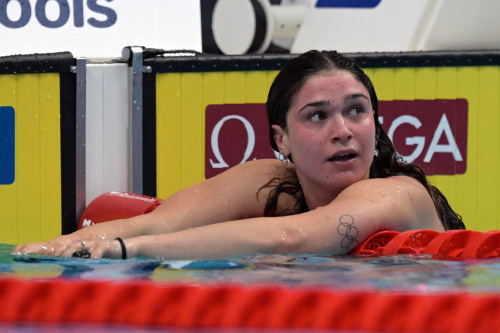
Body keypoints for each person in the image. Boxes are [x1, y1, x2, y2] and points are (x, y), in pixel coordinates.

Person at [14, 50, 465, 260]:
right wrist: (52, 249)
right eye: (317, 116)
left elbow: (290, 239)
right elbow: (156, 222)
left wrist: (123, 252)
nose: (342, 131)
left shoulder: (397, 195)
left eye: (356, 111)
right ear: (281, 139)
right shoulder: (273, 183)